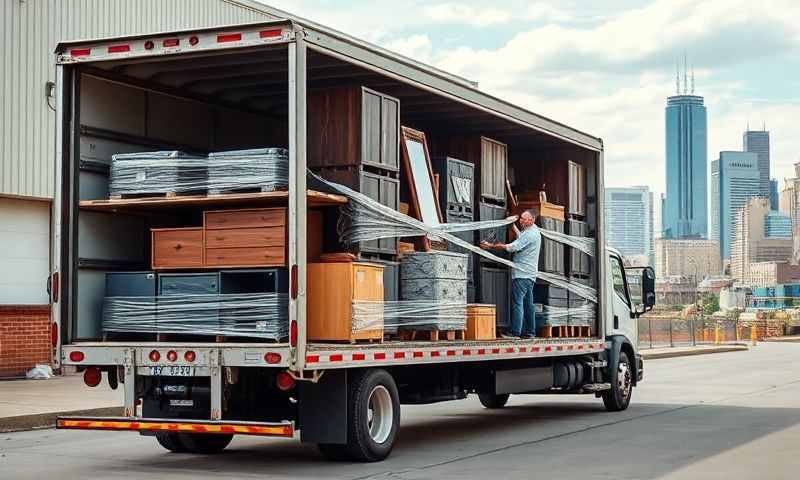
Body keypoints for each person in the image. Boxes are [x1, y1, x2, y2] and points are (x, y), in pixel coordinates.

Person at [480, 210, 542, 338]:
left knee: (517, 303)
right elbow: (521, 238)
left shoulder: (530, 234)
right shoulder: (533, 231)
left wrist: (490, 246)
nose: (521, 221)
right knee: (528, 304)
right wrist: (512, 225)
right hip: (529, 275)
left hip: (522, 275)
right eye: (521, 218)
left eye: (524, 219)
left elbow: (513, 247)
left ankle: (515, 333)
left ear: (532, 220)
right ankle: (531, 332)